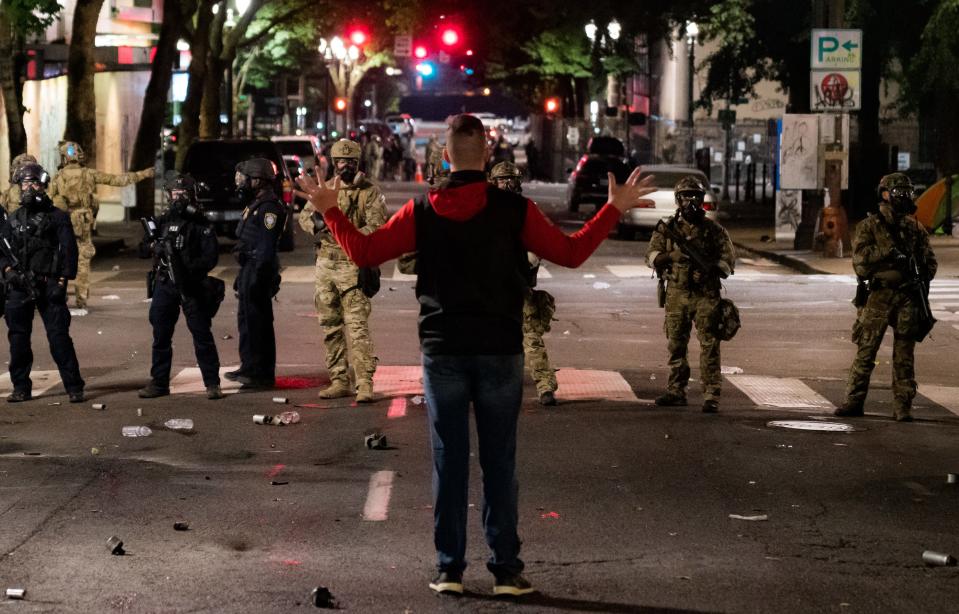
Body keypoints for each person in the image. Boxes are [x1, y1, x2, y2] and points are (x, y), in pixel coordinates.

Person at [296, 114, 656, 597]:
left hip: (443, 348)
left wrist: (330, 210)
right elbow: (570, 254)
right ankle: (506, 570)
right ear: (486, 155)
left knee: (449, 461)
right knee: (499, 462)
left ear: (444, 157)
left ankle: (449, 570)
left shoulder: (423, 211)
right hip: (500, 348)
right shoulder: (514, 209)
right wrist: (611, 209)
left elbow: (364, 253)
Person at [835, 172, 937, 422]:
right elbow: (860, 263)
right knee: (866, 350)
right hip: (879, 295)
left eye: (907, 193)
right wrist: (887, 254)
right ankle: (854, 401)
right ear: (885, 195)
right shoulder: (870, 226)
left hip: (907, 297)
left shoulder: (915, 229)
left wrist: (919, 271)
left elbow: (931, 263)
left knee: (904, 355)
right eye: (899, 193)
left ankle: (903, 406)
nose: (904, 198)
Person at [297, 139, 388, 402]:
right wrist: (316, 222)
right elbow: (305, 218)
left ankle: (364, 383)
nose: (345, 166)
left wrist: (349, 232)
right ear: (334, 163)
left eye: (350, 161)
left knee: (357, 327)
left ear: (358, 163)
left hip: (352, 264)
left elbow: (377, 227)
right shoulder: (325, 189)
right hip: (326, 263)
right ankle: (339, 379)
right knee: (330, 325)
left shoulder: (369, 192)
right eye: (341, 161)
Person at [645, 176, 735, 414]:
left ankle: (711, 394)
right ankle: (676, 391)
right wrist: (670, 257)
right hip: (676, 293)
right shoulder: (668, 228)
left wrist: (711, 271)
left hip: (706, 296)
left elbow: (728, 261)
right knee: (676, 345)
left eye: (695, 196)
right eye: (686, 196)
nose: (691, 201)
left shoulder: (713, 230)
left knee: (710, 345)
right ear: (678, 200)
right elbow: (651, 256)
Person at [0, 163, 84, 403]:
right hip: (18, 287)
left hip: (48, 285)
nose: (28, 188)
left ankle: (74, 387)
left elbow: (69, 252)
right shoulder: (13, 219)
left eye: (33, 183)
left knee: (58, 337)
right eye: (25, 183)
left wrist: (61, 282)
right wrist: (8, 271)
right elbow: (3, 253)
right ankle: (21, 387)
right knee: (18, 339)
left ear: (43, 185)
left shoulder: (57, 217)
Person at [139, 174, 225, 400]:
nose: (178, 198)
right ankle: (159, 383)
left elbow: (210, 258)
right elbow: (141, 248)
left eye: (183, 194)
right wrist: (153, 248)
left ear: (191, 196)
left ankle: (212, 383)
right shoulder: (163, 221)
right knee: (161, 335)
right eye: (174, 194)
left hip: (191, 286)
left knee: (201, 334)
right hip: (165, 284)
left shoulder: (200, 224)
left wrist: (187, 270)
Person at [47, 141, 155, 309]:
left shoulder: (57, 178)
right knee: (83, 261)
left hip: (64, 223)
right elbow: (118, 180)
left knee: (61, 257)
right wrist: (144, 174)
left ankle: (59, 293)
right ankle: (81, 298)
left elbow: (48, 200)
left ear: (64, 158)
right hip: (83, 222)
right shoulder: (89, 174)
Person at [489, 161, 558, 405]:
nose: (507, 184)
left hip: (519, 284)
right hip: (492, 287)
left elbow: (542, 239)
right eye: (502, 179)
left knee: (531, 337)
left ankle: (545, 385)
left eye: (512, 179)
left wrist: (530, 256)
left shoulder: (527, 210)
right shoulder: (485, 210)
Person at [226, 158, 286, 390]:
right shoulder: (257, 203)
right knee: (246, 322)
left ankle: (261, 373)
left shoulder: (269, 207)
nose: (243, 183)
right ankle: (248, 366)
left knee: (258, 323)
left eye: (247, 179)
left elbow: (266, 247)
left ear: (259, 180)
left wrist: (258, 277)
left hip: (258, 269)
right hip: (249, 268)